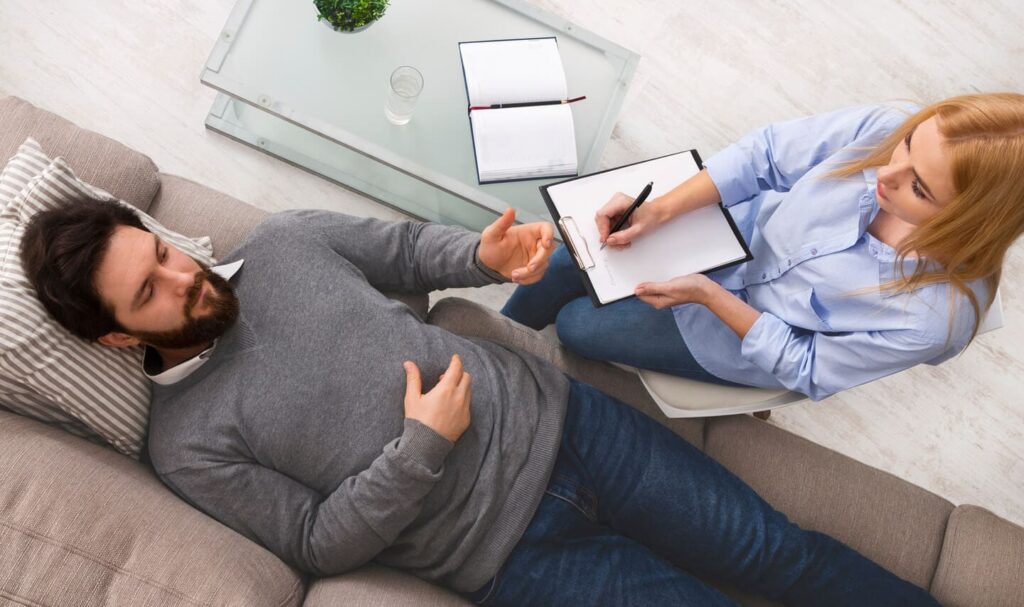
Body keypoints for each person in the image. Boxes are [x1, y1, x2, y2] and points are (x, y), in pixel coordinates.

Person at [20, 198, 941, 606]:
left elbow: (411, 252)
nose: (184, 278)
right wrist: (417, 449)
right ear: (116, 337)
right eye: (150, 293)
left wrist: (483, 258)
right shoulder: (183, 444)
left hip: (573, 425)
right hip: (516, 555)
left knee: (781, 553)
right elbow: (311, 541)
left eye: (164, 255)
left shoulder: (287, 243)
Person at [503, 93, 1024, 400]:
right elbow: (766, 157)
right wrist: (662, 208)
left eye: (919, 188)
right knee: (568, 259)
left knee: (575, 324)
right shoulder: (889, 128)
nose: (886, 171)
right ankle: (489, 344)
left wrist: (709, 298)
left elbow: (810, 368)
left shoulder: (934, 319)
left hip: (734, 332)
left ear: (969, 220)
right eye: (910, 144)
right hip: (728, 236)